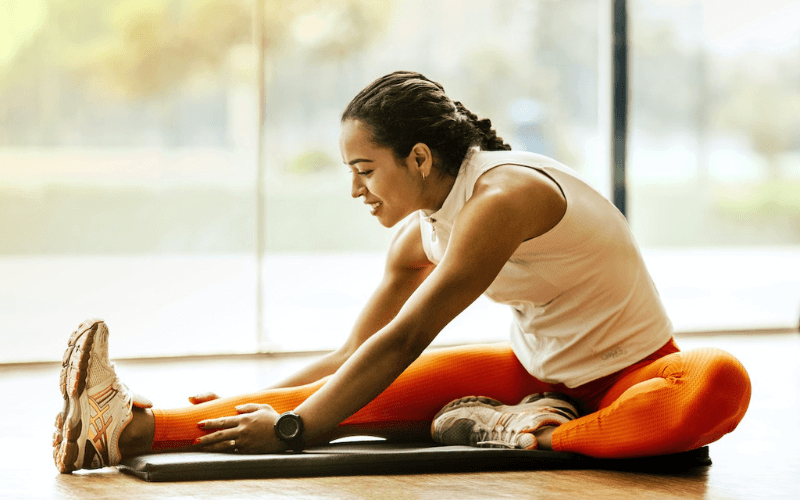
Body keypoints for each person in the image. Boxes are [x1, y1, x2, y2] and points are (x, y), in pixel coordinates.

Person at [53, 71, 751, 474]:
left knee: (721, 382)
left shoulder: (503, 199)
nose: (357, 190)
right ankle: (118, 428)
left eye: (365, 170)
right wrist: (250, 402)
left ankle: (526, 433)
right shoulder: (420, 233)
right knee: (339, 391)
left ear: (418, 157)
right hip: (535, 377)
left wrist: (299, 430)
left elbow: (410, 334)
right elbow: (353, 358)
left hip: (637, 377)